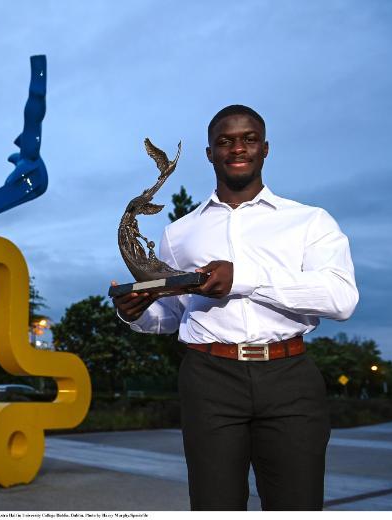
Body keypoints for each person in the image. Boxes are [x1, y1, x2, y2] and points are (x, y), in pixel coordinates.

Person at [112, 105, 359, 511]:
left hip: (290, 378)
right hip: (208, 378)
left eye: (248, 139)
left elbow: (341, 298)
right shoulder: (179, 233)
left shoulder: (310, 221)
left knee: (297, 504)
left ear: (265, 149)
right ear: (210, 153)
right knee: (214, 506)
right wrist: (135, 313)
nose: (237, 148)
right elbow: (174, 316)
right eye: (225, 141)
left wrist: (243, 277)